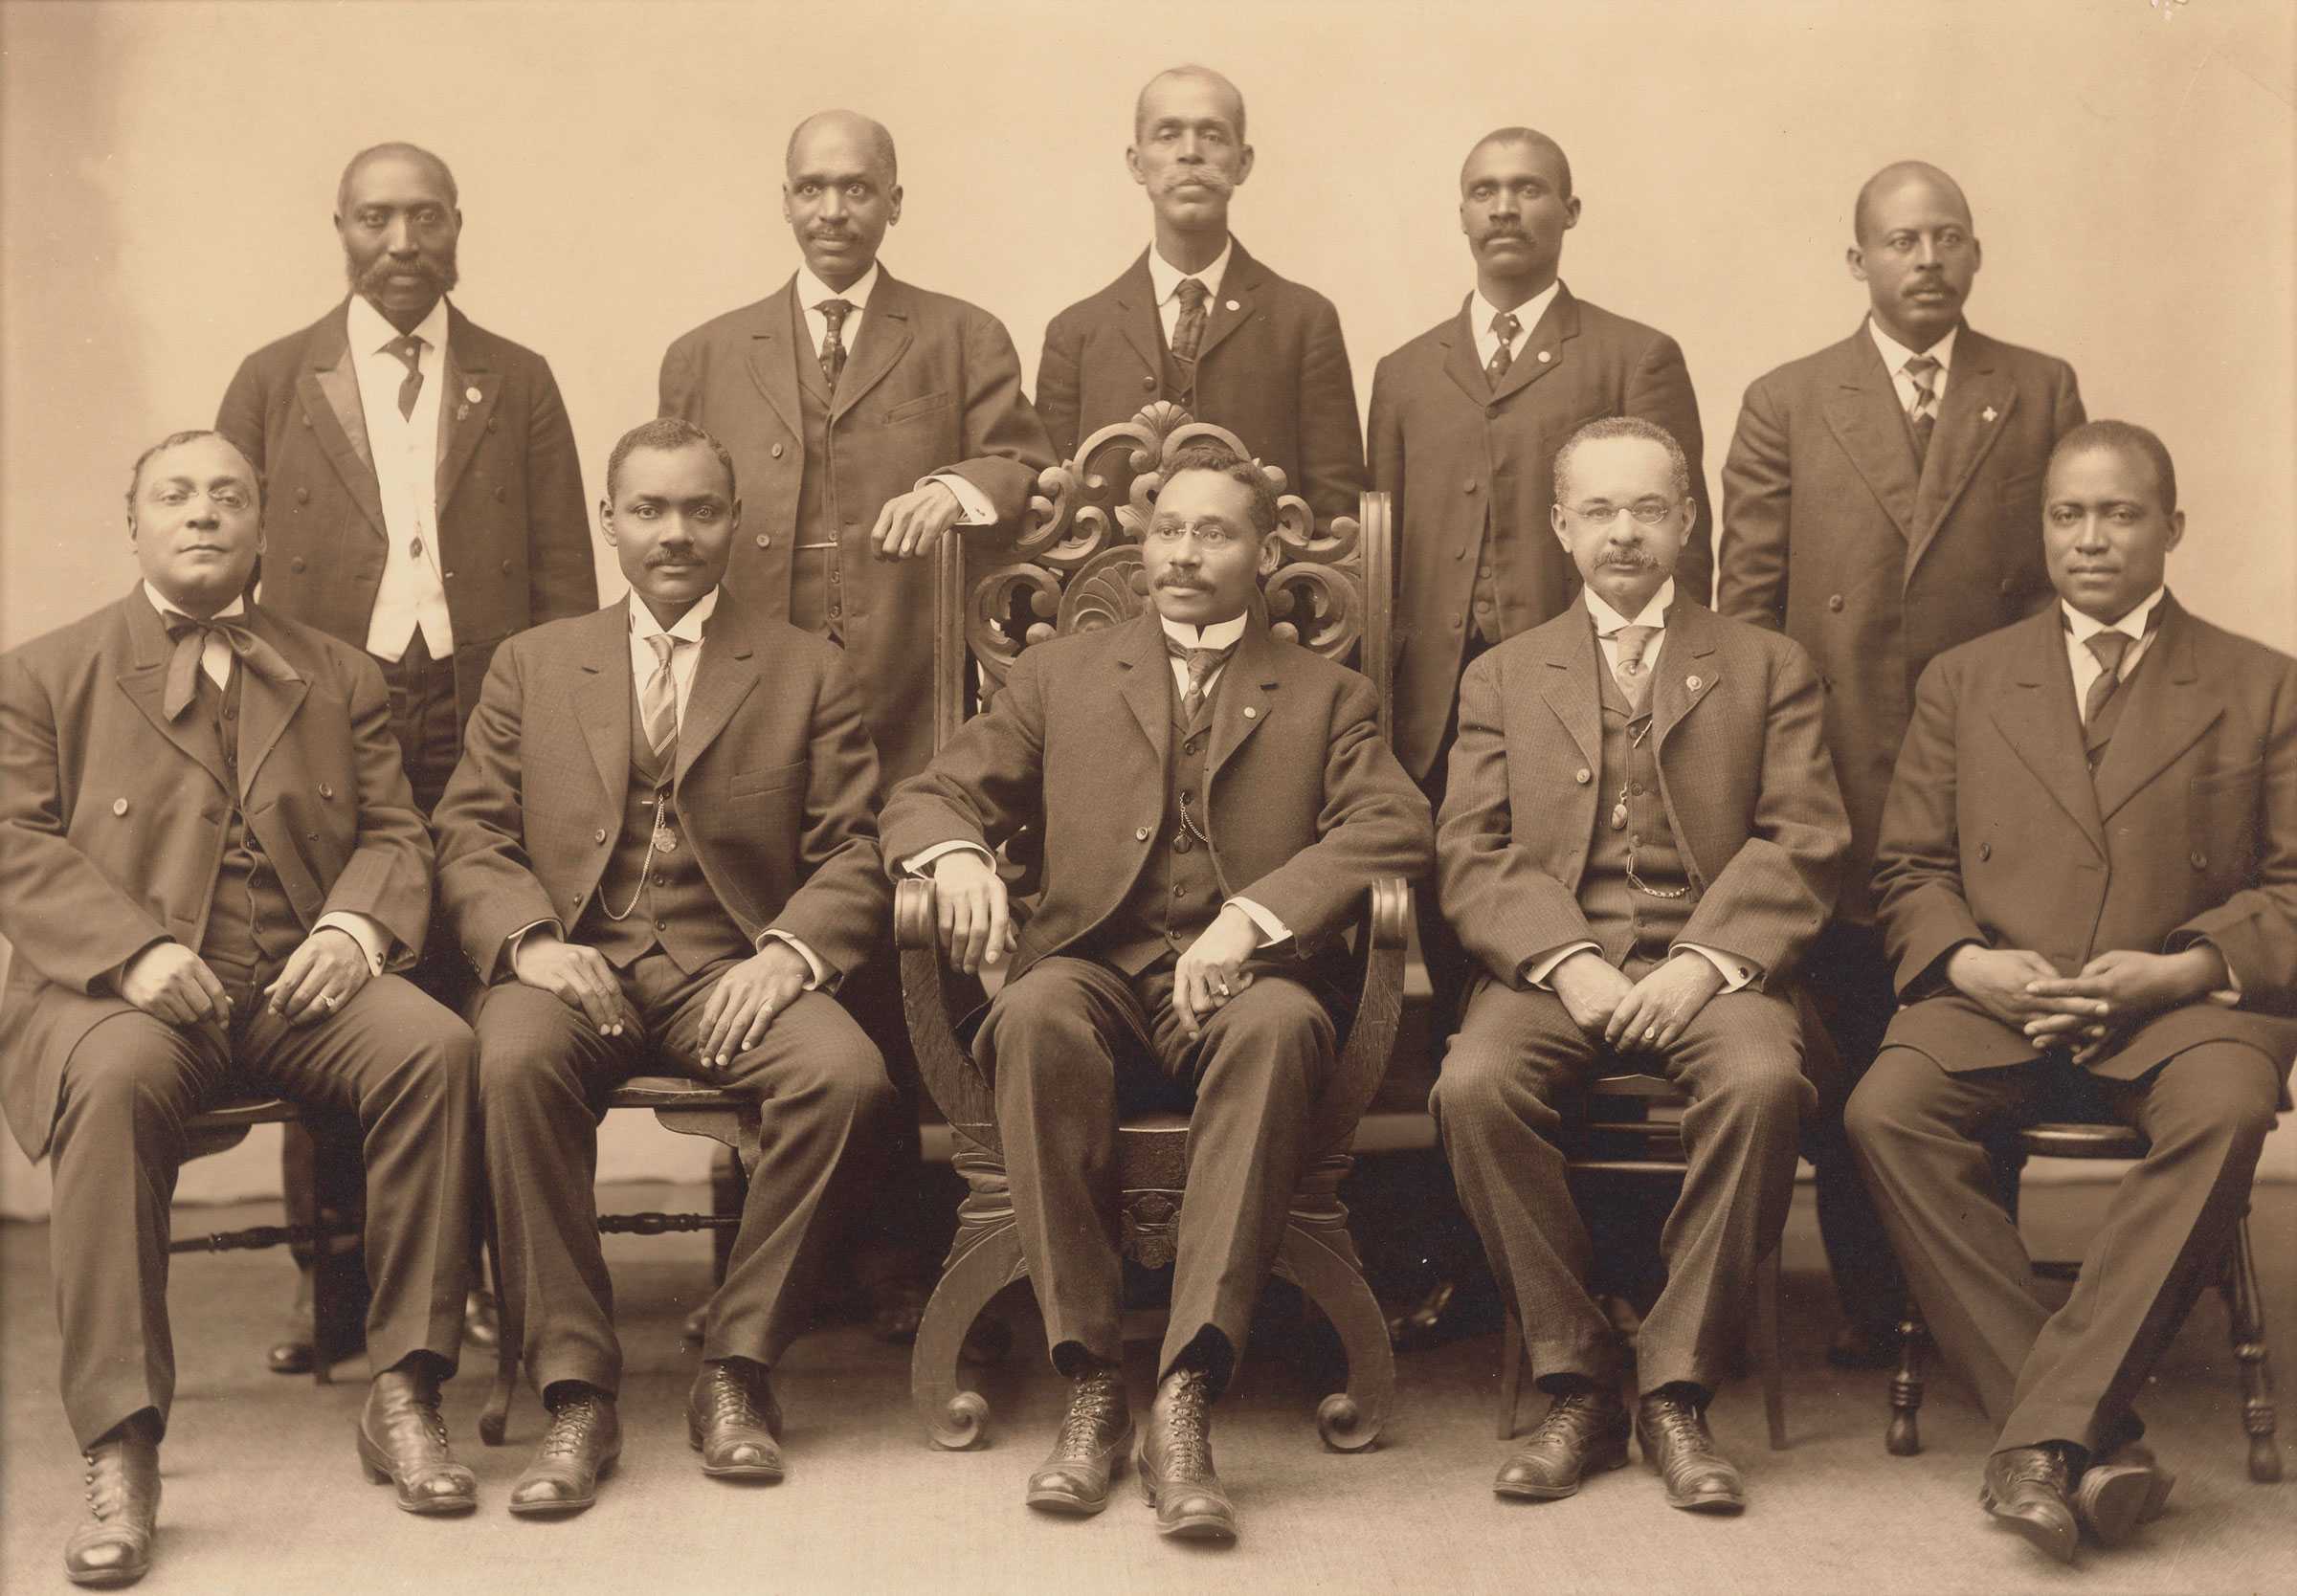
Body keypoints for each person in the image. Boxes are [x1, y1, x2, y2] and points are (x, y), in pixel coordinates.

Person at [881, 441, 1432, 1542]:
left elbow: (1393, 825)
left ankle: (1186, 1392)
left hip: (1246, 981)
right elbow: (930, 793)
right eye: (1169, 529)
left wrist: (1251, 919)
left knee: (1279, 1029)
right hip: (1091, 965)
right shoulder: (1057, 675)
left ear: (1268, 553)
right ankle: (1091, 1384)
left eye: (1214, 532)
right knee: (1031, 1015)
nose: (1183, 554)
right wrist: (955, 860)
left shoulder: (1330, 694)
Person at [0, 432, 481, 1586]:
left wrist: (355, 928)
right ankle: (121, 1444)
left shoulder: (340, 672)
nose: (204, 514)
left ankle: (406, 1389)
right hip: (128, 1001)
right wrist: (127, 957)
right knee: (110, 1088)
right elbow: (11, 843)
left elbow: (394, 830)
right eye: (175, 494)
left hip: (296, 989)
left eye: (230, 496)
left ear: (264, 527)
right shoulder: (43, 673)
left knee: (437, 1049)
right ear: (137, 526)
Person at [1845, 420, 2294, 1567]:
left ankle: (2039, 1434)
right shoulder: (1966, 678)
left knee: (2230, 1110)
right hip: (2002, 989)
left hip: (2180, 1004)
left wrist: (2184, 967)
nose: (2091, 539)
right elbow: (1907, 869)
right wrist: (1966, 961)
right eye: (2067, 515)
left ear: (2172, 529)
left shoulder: (2263, 684)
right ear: (2042, 529)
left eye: (2120, 514)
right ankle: (2085, 1435)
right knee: (1882, 1111)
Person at [432, 419, 896, 1512]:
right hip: (572, 966)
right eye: (648, 510)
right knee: (506, 1068)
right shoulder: (534, 665)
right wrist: (535, 944)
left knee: (848, 1080)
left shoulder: (804, 667)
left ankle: (738, 1369)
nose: (674, 534)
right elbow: (470, 834)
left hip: (727, 970)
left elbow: (853, 847)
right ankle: (575, 1387)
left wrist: (786, 955)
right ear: (609, 523)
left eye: (698, 510)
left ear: (735, 522)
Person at [659, 107, 1053, 1339]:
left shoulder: (958, 332)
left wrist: (953, 486)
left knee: (894, 950)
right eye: (813, 189)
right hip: (748, 702)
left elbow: (1023, 463)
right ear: (785, 200)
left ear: (894, 201)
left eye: (858, 190)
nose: (835, 211)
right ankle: (778, 1251)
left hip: (900, 692)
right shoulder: (707, 349)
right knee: (751, 923)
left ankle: (894, 1251)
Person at [215, 140, 595, 1371]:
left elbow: (562, 584)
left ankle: (477, 1276)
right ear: (338, 229)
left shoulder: (518, 380)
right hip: (322, 715)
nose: (400, 243)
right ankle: (334, 1281)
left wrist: (553, 730)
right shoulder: (275, 381)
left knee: (475, 978)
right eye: (375, 219)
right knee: (327, 963)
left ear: (457, 228)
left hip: (480, 707)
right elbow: (229, 577)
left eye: (423, 219)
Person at [1430, 418, 1846, 1517]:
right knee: (1473, 1087)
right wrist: (1567, 963)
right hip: (1556, 970)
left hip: (1714, 970)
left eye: (1649, 509)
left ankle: (1677, 1384)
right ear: (1563, 528)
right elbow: (1470, 852)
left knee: (1763, 1086)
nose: (1625, 534)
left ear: (1689, 521)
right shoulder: (1505, 676)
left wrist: (1706, 965)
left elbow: (1804, 838)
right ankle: (1576, 1378)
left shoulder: (1767, 666)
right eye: (1601, 512)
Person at [1716, 161, 2086, 1363]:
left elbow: (2062, 597)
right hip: (1836, 769)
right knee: (1859, 1019)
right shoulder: (1786, 400)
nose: (1924, 261)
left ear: (1974, 255)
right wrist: (1771, 785)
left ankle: (1972, 1285)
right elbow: (1752, 615)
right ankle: (1884, 1305)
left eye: (1946, 239)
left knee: (1987, 1013)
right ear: (1857, 260)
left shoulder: (2038, 392)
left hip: (1999, 768)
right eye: (1899, 241)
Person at [1372, 126, 1711, 1032]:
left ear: (1568, 211)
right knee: (1459, 923)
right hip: (1436, 707)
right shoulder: (1405, 373)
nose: (1505, 208)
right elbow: (1380, 558)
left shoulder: (1633, 355)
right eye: (1485, 190)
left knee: (1576, 907)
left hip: (1588, 697)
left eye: (1528, 189)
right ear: (1462, 213)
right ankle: (1469, 1137)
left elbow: (1687, 544)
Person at [1037, 65, 1365, 530]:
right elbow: (1050, 504)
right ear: (1136, 162)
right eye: (1168, 135)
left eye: (1212, 135)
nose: (1190, 153)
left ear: (1243, 161)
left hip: (1264, 597)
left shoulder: (1304, 320)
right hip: (1109, 596)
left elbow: (1337, 511)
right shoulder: (1076, 332)